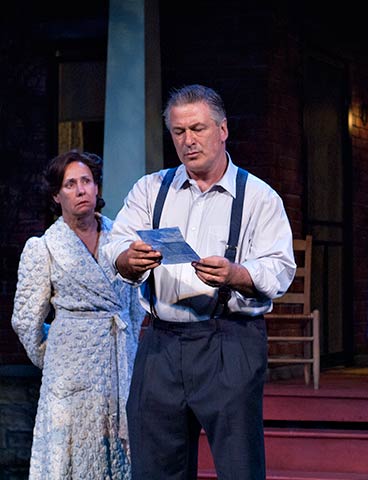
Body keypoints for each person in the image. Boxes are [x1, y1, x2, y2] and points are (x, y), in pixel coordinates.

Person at [103, 84, 296, 480]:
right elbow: (116, 246)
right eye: (178, 132)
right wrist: (129, 259)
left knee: (239, 465)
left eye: (198, 129)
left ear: (222, 130)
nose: (188, 141)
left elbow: (279, 267)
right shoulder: (150, 189)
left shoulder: (259, 197)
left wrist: (237, 274)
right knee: (156, 466)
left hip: (229, 339)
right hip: (161, 343)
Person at [11, 150, 145, 479]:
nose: (81, 189)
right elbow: (26, 320)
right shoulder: (44, 248)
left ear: (97, 188)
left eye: (86, 181)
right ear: (57, 195)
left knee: (119, 456)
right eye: (70, 184)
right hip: (69, 379)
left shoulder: (123, 241)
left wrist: (129, 351)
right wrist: (56, 353)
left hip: (118, 369)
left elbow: (135, 308)